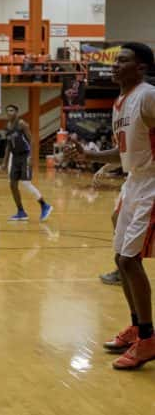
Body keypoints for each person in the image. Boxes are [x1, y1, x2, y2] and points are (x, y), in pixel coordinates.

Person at [65, 42, 155, 370]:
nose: (116, 66)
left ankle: (148, 339)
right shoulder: (120, 103)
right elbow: (123, 151)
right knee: (121, 259)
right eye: (115, 61)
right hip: (133, 183)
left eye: (124, 61)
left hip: (152, 185)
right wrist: (90, 156)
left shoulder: (147, 95)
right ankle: (137, 327)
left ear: (141, 67)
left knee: (130, 260)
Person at [0, 104, 53, 221]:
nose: (9, 112)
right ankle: (21, 212)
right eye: (7, 110)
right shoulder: (7, 127)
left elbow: (32, 140)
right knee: (12, 185)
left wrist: (32, 157)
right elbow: (8, 146)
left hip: (25, 155)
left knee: (25, 183)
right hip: (15, 157)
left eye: (12, 110)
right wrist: (4, 162)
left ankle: (44, 205)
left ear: (17, 112)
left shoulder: (22, 124)